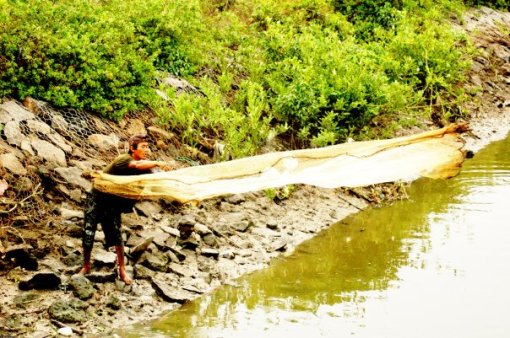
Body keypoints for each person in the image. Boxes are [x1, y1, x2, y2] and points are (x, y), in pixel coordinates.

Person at [79, 134, 173, 284]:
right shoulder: (123, 159)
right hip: (97, 198)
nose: (146, 150)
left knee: (117, 237)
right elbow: (136, 166)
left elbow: (157, 177)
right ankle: (86, 266)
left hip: (112, 203)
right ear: (132, 148)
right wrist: (158, 162)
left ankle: (122, 270)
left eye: (147, 146)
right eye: (143, 147)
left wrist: (173, 177)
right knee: (89, 231)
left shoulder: (144, 165)